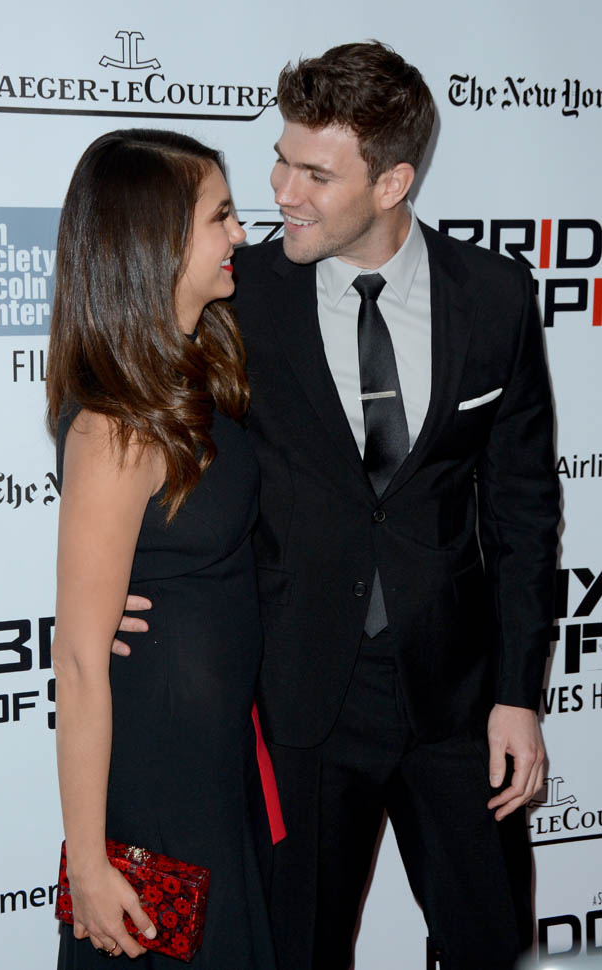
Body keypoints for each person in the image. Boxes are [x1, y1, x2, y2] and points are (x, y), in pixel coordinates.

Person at [117, 42, 560, 970]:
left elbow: (522, 515)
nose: (282, 191)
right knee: (297, 950)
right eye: (281, 160)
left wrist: (517, 694)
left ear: (392, 182)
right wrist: (114, 579)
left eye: (315, 174)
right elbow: (127, 412)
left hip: (458, 701)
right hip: (294, 697)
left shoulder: (494, 296)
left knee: (487, 942)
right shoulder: (239, 298)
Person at [47, 128, 280, 969]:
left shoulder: (194, 370)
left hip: (219, 758)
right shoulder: (114, 426)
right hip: (160, 770)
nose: (241, 233)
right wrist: (90, 862)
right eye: (220, 216)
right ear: (156, 241)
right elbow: (80, 661)